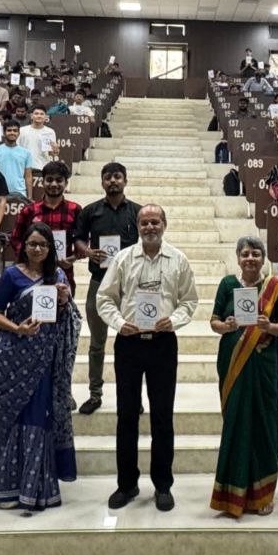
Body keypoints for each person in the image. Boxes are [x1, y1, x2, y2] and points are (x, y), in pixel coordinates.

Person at [97, 205, 199, 511]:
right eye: (145, 222)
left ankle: (163, 485)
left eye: (155, 221)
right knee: (126, 415)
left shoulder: (178, 259)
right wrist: (119, 323)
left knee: (162, 417)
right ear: (138, 226)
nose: (150, 227)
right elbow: (105, 298)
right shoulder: (123, 258)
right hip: (129, 343)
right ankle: (126, 484)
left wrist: (174, 320)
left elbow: (189, 301)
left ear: (164, 224)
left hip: (162, 343)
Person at [0, 222, 81, 511]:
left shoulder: (57, 276)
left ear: (51, 249)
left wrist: (63, 301)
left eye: (43, 245)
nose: (37, 249)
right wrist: (17, 328)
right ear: (23, 246)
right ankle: (4, 487)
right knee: (8, 418)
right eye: (32, 244)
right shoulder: (11, 275)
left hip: (43, 359)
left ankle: (35, 487)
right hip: (12, 356)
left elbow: (67, 317)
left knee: (38, 417)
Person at [209, 236, 278, 518]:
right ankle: (230, 496)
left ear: (263, 257)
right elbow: (214, 322)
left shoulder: (274, 287)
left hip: (264, 365)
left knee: (263, 424)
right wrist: (226, 325)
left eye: (256, 254)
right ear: (238, 257)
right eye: (245, 254)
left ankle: (263, 496)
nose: (250, 259)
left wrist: (269, 326)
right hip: (233, 361)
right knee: (236, 423)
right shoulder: (227, 284)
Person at [73, 163, 141, 415]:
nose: (113, 181)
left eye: (117, 177)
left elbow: (148, 242)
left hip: (130, 285)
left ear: (125, 180)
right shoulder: (91, 211)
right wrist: (88, 251)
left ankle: (133, 396)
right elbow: (78, 239)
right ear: (102, 182)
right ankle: (95, 394)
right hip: (99, 283)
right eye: (108, 177)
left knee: (133, 343)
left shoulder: (137, 211)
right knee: (97, 343)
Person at [10, 162, 80, 280]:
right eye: (49, 180)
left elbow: (82, 239)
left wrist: (74, 257)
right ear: (42, 182)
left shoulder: (75, 209)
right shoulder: (29, 210)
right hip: (32, 273)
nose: (54, 184)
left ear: (66, 183)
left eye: (59, 180)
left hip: (63, 272)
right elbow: (15, 238)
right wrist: (30, 255)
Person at [0, 119, 33, 199]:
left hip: (20, 193)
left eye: (15, 130)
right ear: (4, 133)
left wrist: (30, 196)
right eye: (9, 130)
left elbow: (28, 176)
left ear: (19, 133)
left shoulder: (26, 153)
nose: (12, 133)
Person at [19, 106, 57, 171]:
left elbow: (51, 153)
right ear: (31, 116)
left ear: (45, 117)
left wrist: (55, 150)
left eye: (41, 114)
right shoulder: (22, 130)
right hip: (24, 167)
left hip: (43, 167)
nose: (39, 116)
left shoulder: (50, 132)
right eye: (36, 113)